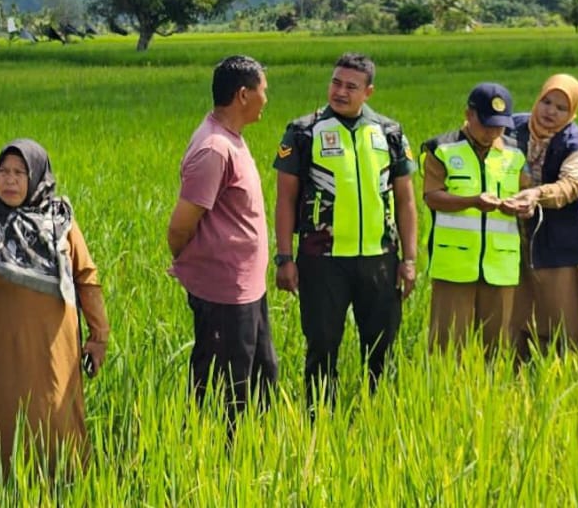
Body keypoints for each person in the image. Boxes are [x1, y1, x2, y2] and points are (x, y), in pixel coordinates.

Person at [0, 139, 110, 475]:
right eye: (3, 172)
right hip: (1, 359)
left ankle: (68, 491)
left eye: (20, 172)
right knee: (5, 435)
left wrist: (99, 335)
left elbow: (87, 278)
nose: (10, 180)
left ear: (36, 177)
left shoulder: (60, 222)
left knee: (59, 428)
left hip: (57, 357)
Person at [273, 52, 418, 413]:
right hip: (322, 261)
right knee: (322, 344)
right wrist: (284, 258)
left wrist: (410, 259)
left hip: (379, 259)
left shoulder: (389, 132)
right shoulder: (304, 131)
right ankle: (320, 418)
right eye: (336, 82)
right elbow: (285, 199)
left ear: (368, 91)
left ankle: (377, 415)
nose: (340, 91)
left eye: (351, 86)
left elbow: (405, 202)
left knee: (381, 345)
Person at [167, 55, 278, 430]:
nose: (268, 97)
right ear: (243, 95)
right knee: (223, 390)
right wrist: (201, 267)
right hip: (224, 292)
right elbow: (180, 227)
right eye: (264, 90)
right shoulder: (214, 149)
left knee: (260, 378)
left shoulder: (231, 140)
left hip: (246, 289)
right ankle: (214, 462)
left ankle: (253, 455)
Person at [503, 74, 578, 358]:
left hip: (567, 247)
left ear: (572, 113)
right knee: (520, 315)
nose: (550, 111)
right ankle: (520, 379)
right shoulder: (512, 129)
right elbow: (475, 134)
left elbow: (570, 186)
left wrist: (535, 194)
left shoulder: (577, 147)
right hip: (519, 242)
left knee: (576, 324)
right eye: (546, 101)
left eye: (561, 108)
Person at [421, 82, 528, 356]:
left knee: (499, 348)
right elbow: (432, 196)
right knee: (447, 348)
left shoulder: (515, 154)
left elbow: (528, 195)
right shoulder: (441, 149)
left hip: (501, 265)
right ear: (469, 115)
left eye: (500, 126)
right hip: (454, 266)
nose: (493, 132)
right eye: (487, 124)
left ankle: (496, 398)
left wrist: (522, 206)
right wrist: (472, 201)